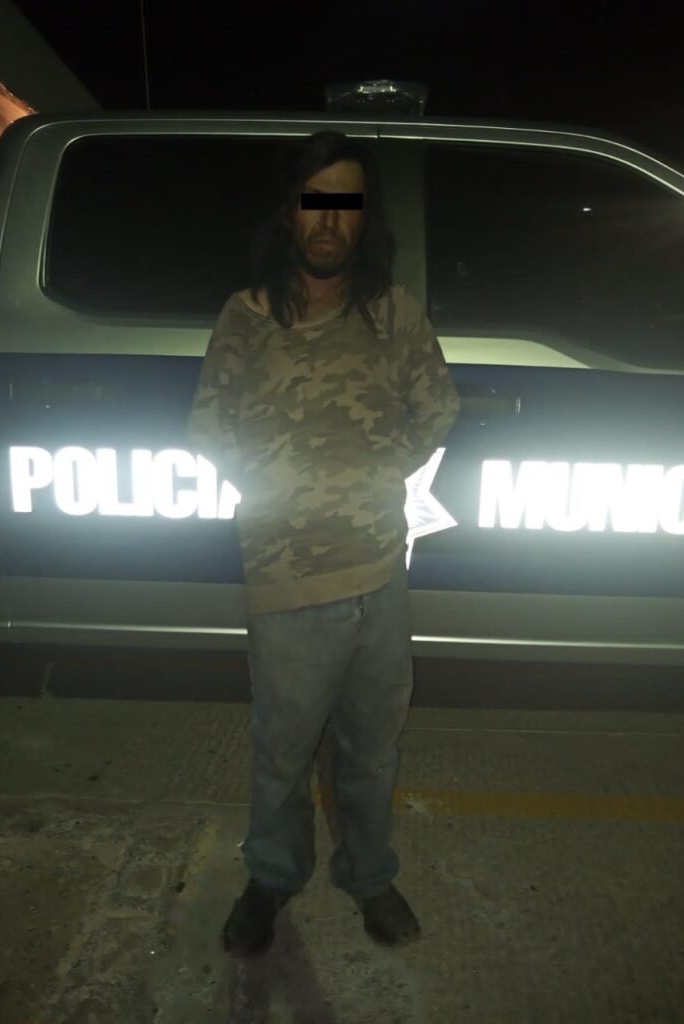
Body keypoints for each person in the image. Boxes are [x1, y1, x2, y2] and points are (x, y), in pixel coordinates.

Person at [186, 130, 461, 957]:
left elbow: (438, 408)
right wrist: (286, 492)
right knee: (282, 755)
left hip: (378, 576)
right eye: (315, 200)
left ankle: (370, 876)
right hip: (288, 581)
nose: (329, 220)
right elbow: (208, 427)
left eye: (346, 202)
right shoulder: (247, 317)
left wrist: (370, 474)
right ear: (289, 212)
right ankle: (272, 877)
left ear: (364, 217)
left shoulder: (393, 313)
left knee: (371, 752)